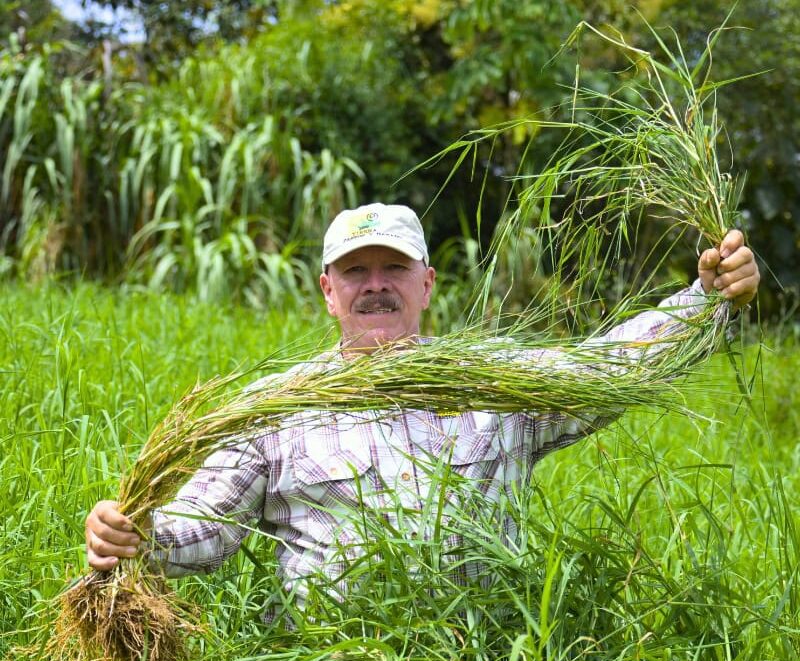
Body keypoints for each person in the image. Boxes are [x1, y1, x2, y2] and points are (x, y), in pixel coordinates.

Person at [85, 203, 760, 616]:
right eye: (356, 270)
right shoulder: (274, 407)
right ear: (328, 290)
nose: (375, 285)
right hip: (324, 658)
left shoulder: (494, 382)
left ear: (427, 283)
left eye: (395, 268)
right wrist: (137, 536)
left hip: (481, 656)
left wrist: (706, 297)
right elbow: (206, 525)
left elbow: (606, 368)